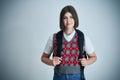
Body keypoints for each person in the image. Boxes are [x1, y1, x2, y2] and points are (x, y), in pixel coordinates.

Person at [41, 5, 97, 80]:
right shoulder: (53, 37)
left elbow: (94, 57)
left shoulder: (83, 38)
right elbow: (43, 58)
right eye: (65, 18)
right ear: (61, 20)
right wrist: (52, 62)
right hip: (59, 76)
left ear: (75, 18)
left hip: (78, 76)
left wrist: (87, 62)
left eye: (71, 17)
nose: (68, 21)